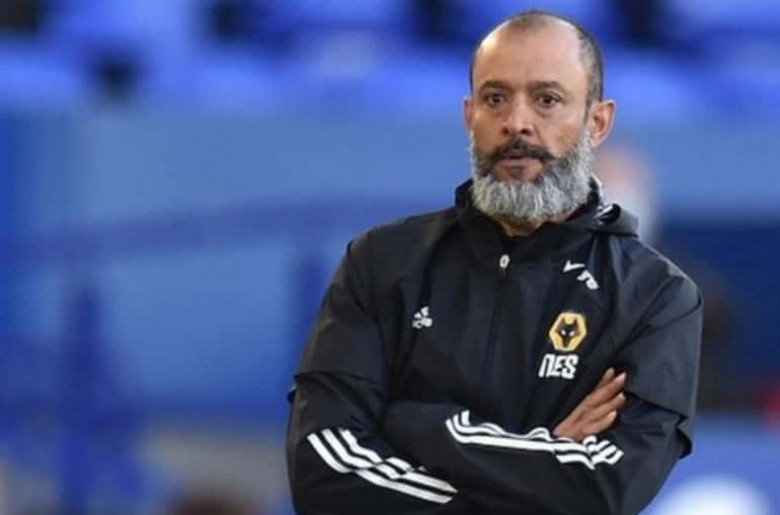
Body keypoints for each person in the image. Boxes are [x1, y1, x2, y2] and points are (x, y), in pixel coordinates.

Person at [286, 10, 702, 515]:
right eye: (495, 98)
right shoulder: (381, 261)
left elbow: (606, 488)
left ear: (597, 123)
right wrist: (545, 455)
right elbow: (323, 467)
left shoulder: (654, 295)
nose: (516, 123)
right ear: (470, 116)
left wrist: (423, 426)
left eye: (547, 100)